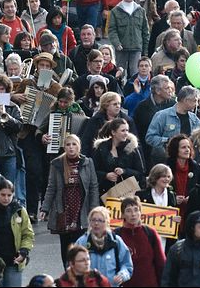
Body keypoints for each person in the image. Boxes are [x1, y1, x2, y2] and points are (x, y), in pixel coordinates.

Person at [40, 134, 100, 267]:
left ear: (79, 147)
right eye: (68, 144)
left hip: (81, 208)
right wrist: (45, 208)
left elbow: (93, 186)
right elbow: (51, 187)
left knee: (82, 244)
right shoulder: (56, 164)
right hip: (65, 209)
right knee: (66, 247)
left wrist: (95, 209)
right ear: (64, 147)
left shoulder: (87, 162)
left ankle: (82, 273)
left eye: (74, 144)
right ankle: (68, 273)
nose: (71, 147)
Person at [74, 206, 133, 287]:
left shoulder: (116, 241)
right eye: (93, 220)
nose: (96, 223)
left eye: (100, 221)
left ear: (107, 223)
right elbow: (71, 266)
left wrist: (122, 275)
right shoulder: (82, 242)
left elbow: (127, 265)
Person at [114, 196, 166, 287]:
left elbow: (161, 263)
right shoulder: (116, 235)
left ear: (140, 212)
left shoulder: (150, 233)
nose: (133, 214)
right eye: (128, 211)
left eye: (136, 210)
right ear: (122, 215)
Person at [145, 86, 200, 165]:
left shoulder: (194, 119)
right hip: (167, 162)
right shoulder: (162, 115)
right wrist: (168, 141)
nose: (197, 104)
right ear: (185, 100)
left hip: (187, 163)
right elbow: (150, 138)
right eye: (194, 101)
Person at [91, 116, 145, 194]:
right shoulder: (101, 147)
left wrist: (125, 171)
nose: (126, 133)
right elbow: (93, 170)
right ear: (113, 132)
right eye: (123, 131)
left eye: (127, 130)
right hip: (105, 191)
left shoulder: (132, 148)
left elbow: (140, 173)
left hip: (127, 192)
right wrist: (106, 175)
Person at [108, 0, 150, 78]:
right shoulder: (115, 11)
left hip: (136, 48)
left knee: (135, 75)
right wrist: (116, 43)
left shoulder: (140, 10)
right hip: (121, 48)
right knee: (120, 74)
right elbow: (112, 30)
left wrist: (145, 49)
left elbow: (145, 31)